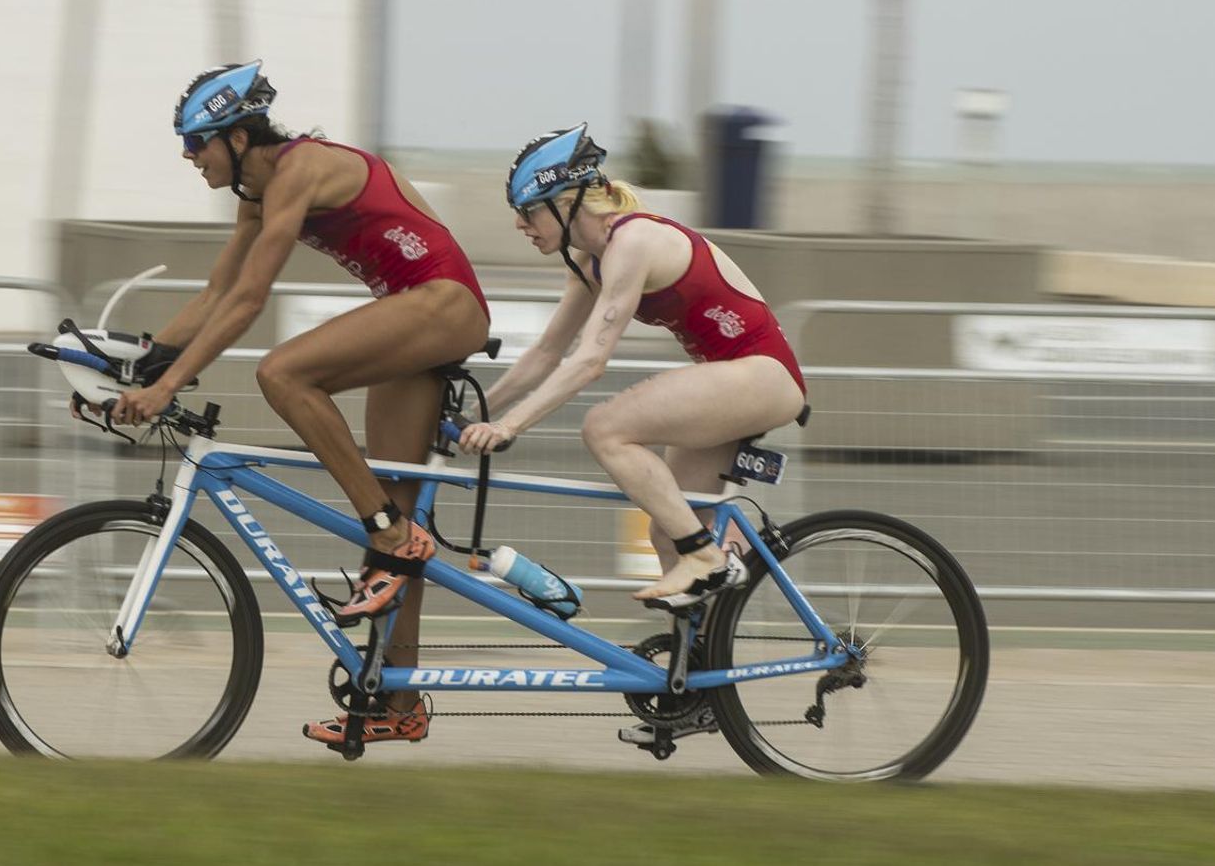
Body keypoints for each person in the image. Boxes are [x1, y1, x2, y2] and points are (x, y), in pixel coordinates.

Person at [112, 60, 491, 747]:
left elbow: (250, 301)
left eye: (196, 142)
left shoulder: (299, 169)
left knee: (284, 374)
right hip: (415, 311)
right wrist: (137, 369)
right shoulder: (255, 194)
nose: (188, 156)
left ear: (237, 137)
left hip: (442, 303)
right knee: (397, 514)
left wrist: (167, 387)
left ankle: (384, 530)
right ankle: (400, 700)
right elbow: (216, 295)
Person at [458, 124, 806, 745]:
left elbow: (591, 360)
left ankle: (707, 557)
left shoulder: (633, 240)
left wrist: (509, 426)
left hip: (761, 374)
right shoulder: (590, 263)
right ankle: (697, 689)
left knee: (606, 427)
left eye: (528, 211)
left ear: (566, 202)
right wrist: (474, 411)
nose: (520, 225)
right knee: (666, 527)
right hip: (733, 378)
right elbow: (546, 353)